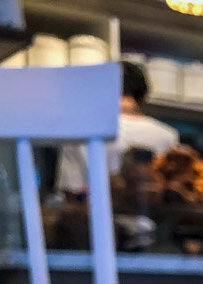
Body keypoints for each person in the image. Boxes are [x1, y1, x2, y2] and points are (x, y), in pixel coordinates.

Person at [56, 61, 179, 195]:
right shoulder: (168, 136)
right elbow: (173, 194)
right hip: (153, 215)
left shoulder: (80, 134)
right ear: (144, 97)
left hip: (96, 214)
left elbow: (71, 193)